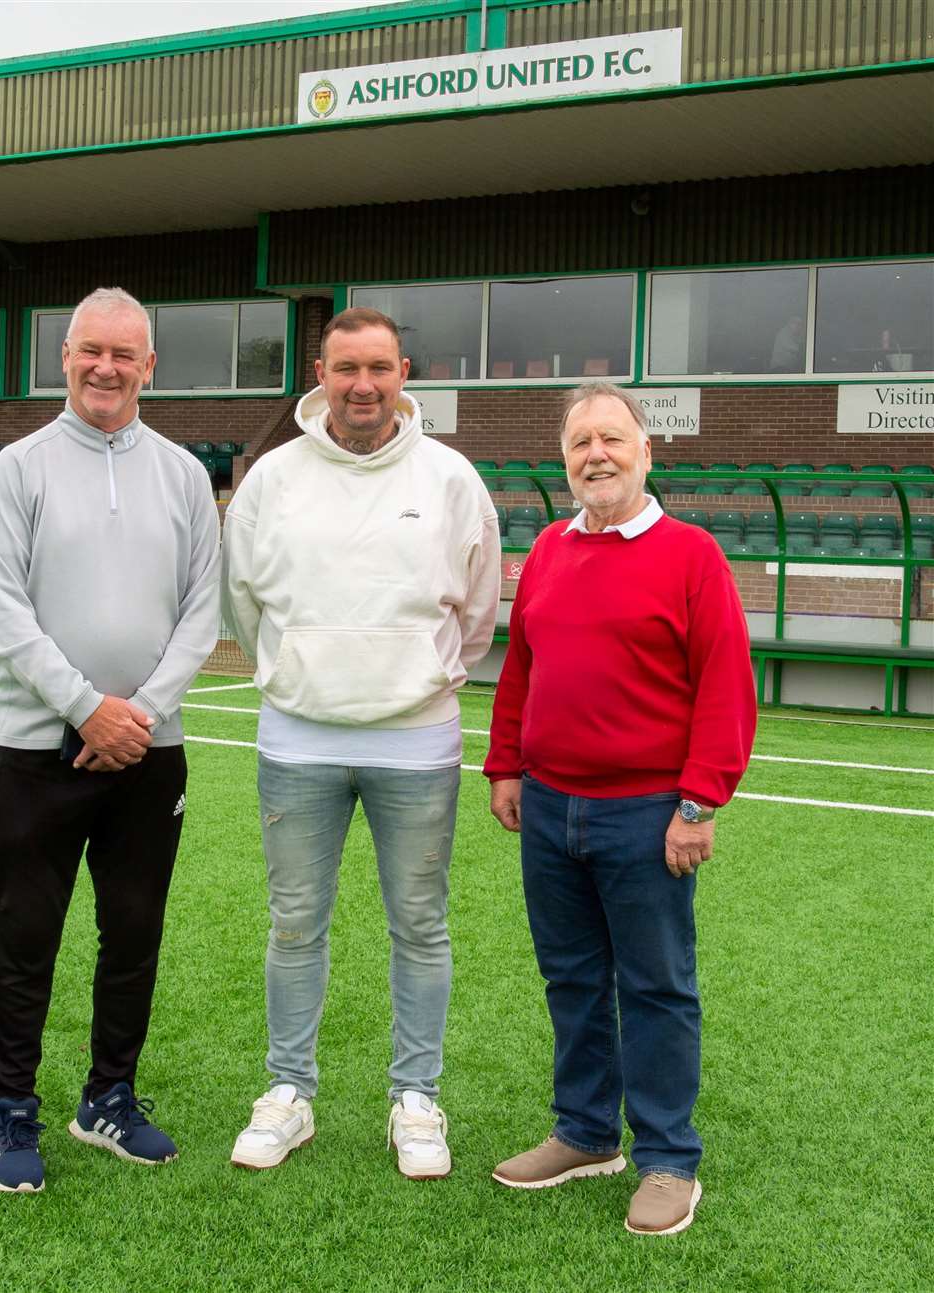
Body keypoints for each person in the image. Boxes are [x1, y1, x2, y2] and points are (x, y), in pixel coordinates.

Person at [222, 306, 500, 1179]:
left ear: (404, 372)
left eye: (379, 368)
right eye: (346, 368)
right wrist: (297, 670)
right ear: (321, 371)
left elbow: (479, 612)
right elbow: (244, 600)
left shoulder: (452, 477)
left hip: (416, 743)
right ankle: (288, 1092)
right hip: (297, 739)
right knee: (295, 922)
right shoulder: (273, 478)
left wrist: (414, 676)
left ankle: (415, 1099)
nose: (363, 385)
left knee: (419, 924)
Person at [484, 381, 755, 1235]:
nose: (594, 454)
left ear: (646, 452)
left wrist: (701, 798)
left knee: (656, 986)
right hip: (551, 807)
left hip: (646, 814)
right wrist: (505, 766)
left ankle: (669, 1156)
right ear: (564, 461)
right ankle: (586, 1130)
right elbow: (521, 669)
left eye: (611, 438)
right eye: (578, 443)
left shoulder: (691, 554)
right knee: (571, 979)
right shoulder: (549, 552)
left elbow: (725, 684)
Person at [0, 287, 221, 1193]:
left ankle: (108, 1096)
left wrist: (138, 713)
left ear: (149, 365)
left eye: (124, 354)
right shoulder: (21, 467)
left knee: (133, 932)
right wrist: (87, 707)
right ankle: (12, 1109)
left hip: (150, 752)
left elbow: (204, 610)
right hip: (41, 748)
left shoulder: (185, 475)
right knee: (25, 932)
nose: (105, 368)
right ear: (65, 358)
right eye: (89, 352)